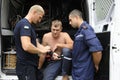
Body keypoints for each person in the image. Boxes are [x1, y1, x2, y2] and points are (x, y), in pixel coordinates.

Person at [14, 5, 51, 80]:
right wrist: (41, 51)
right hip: (25, 67)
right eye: (40, 17)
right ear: (34, 12)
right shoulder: (24, 25)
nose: (40, 20)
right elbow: (26, 46)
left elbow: (36, 44)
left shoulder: (30, 26)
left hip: (32, 66)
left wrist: (49, 52)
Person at [68, 9, 103, 80]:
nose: (70, 23)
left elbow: (97, 51)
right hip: (78, 71)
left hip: (84, 72)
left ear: (76, 17)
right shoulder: (80, 32)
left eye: (70, 20)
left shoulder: (86, 30)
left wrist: (96, 65)